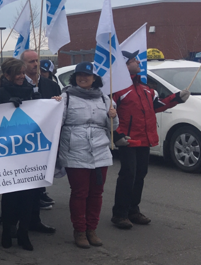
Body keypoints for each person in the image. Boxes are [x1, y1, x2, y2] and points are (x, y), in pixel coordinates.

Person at [0, 58, 61, 251]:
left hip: (29, 155)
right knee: (11, 197)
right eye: (17, 73)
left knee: (29, 197)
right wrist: (2, 106)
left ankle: (23, 233)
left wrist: (52, 105)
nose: (21, 76)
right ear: (8, 75)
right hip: (9, 155)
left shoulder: (31, 92)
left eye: (22, 72)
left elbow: (42, 115)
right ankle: (7, 232)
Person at [111, 51, 189, 229]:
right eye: (134, 61)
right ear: (125, 65)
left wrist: (176, 98)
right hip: (128, 140)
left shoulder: (146, 88)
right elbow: (109, 115)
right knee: (128, 174)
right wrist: (117, 135)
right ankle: (120, 214)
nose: (138, 62)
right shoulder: (117, 89)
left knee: (140, 174)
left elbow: (157, 106)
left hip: (145, 139)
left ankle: (133, 210)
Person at [58, 62, 118, 248]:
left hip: (100, 152)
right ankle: (80, 230)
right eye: (79, 75)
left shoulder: (105, 100)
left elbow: (114, 128)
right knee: (80, 193)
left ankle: (92, 229)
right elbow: (55, 123)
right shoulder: (66, 97)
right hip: (76, 152)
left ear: (94, 78)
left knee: (96, 193)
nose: (82, 78)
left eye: (87, 75)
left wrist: (113, 117)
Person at [20, 50, 59, 232]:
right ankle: (19, 222)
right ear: (23, 65)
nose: (35, 65)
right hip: (23, 142)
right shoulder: (16, 85)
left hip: (43, 143)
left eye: (36, 61)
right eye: (31, 62)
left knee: (38, 185)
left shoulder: (51, 86)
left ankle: (35, 220)